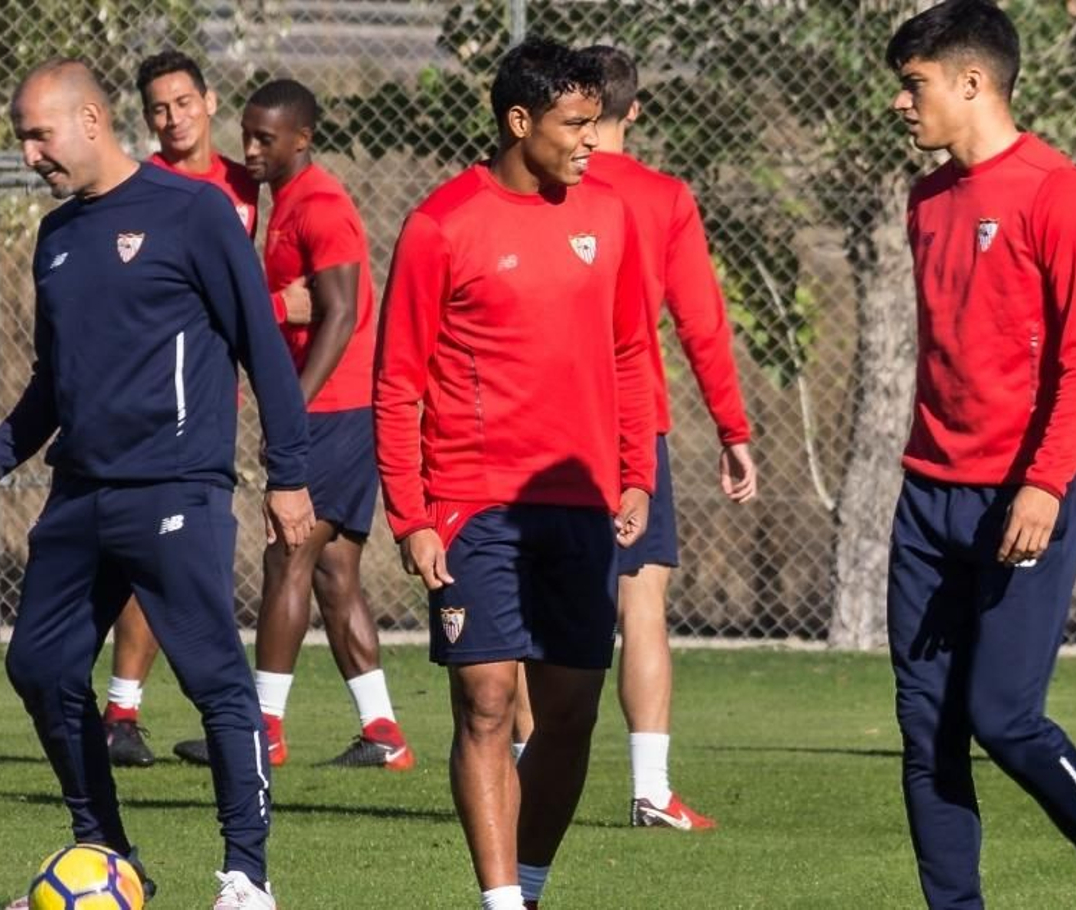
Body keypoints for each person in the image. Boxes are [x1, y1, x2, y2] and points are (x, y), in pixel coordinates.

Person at [2, 58, 312, 910]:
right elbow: (50, 389)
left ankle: (247, 876)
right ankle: (104, 851)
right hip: (79, 495)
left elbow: (261, 346)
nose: (30, 153)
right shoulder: (58, 237)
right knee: (38, 665)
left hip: (175, 487)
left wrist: (289, 477)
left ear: (93, 120)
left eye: (40, 134)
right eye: (22, 137)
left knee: (212, 676)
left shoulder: (194, 214)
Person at [374, 37, 654, 910]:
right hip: (472, 504)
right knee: (488, 704)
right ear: (518, 120)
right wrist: (412, 515)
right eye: (575, 124)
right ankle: (498, 902)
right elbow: (397, 382)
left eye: (596, 123)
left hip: (579, 504)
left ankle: (527, 887)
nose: (590, 141)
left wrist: (637, 471)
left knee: (570, 714)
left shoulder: (608, 215)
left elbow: (634, 350)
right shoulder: (442, 224)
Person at [883, 4, 1076, 907]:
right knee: (928, 732)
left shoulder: (1055, 191)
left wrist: (1043, 482)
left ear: (972, 82)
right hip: (929, 497)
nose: (899, 102)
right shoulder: (925, 200)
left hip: (1023, 494)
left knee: (1001, 716)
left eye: (913, 83)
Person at [506, 44, 757, 830]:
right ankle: (650, 789)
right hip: (628, 429)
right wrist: (732, 428)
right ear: (636, 110)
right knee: (641, 604)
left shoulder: (531, 184)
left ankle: (520, 771)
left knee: (520, 609)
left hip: (533, 432)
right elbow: (701, 322)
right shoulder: (662, 196)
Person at [171, 78, 414, 771]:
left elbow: (341, 310)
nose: (249, 148)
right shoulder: (286, 203)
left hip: (334, 410)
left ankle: (261, 733)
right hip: (332, 410)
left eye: (264, 138)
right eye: (245, 133)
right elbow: (298, 307)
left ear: (301, 139)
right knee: (334, 572)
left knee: (288, 555)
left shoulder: (322, 205)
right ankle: (384, 734)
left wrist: (293, 408)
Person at [101, 49, 282, 770]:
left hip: (221, 397)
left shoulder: (247, 184)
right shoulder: (142, 189)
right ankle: (123, 711)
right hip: (153, 403)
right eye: (158, 109)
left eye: (183, 102)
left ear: (209, 102)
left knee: (196, 555)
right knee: (154, 550)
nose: (173, 118)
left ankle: (237, 721)